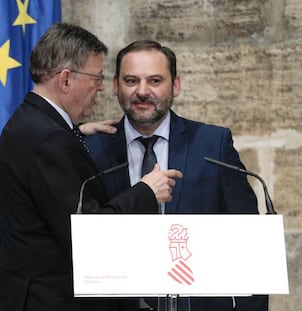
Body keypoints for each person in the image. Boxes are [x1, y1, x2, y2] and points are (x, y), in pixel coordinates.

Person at [0, 24, 182, 311]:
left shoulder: (35, 122)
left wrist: (75, 132)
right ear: (66, 79)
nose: (102, 86)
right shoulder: (48, 139)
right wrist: (146, 191)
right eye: (96, 77)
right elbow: (87, 235)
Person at [85, 40, 268, 311]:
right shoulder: (92, 149)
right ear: (115, 86)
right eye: (132, 81)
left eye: (155, 80)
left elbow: (249, 246)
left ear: (176, 85)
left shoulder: (212, 144)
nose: (143, 91)